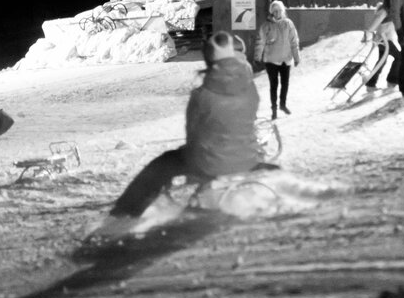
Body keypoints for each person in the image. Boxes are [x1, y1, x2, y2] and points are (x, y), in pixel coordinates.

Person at [100, 31, 277, 223]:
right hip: (246, 158)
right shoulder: (249, 88)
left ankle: (123, 214)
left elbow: (194, 132)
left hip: (211, 163)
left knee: (163, 164)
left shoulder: (203, 92)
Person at [254, 0, 302, 119]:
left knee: (285, 84)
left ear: (283, 11)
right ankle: (274, 109)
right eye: (274, 11)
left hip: (285, 59)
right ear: (271, 12)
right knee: (274, 85)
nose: (277, 13)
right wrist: (257, 57)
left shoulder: (288, 23)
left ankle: (282, 104)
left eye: (279, 10)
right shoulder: (266, 25)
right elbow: (260, 41)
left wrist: (296, 57)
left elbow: (294, 41)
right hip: (271, 60)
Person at [362, 0, 401, 91]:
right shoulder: (384, 11)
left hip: (384, 39)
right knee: (399, 58)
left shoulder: (389, 10)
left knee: (381, 61)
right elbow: (374, 24)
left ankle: (371, 83)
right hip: (384, 40)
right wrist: (368, 33)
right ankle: (392, 81)